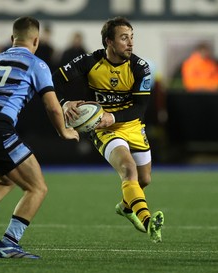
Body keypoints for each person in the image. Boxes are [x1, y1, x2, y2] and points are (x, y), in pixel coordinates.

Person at [0, 16, 79, 259]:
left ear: (12, 39)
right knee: (38, 188)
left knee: (7, 180)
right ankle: (9, 244)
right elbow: (53, 107)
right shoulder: (36, 64)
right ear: (36, 40)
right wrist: (64, 131)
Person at [52, 16, 164, 243]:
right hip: (103, 129)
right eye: (124, 38)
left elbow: (141, 109)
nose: (131, 43)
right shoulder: (89, 61)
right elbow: (53, 80)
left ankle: (125, 207)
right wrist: (64, 102)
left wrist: (113, 116)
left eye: (132, 38)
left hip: (131, 124)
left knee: (144, 180)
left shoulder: (140, 67)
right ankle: (147, 220)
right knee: (128, 170)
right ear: (108, 42)